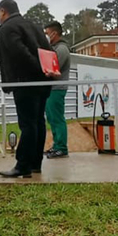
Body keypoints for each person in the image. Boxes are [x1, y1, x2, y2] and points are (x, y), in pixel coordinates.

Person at [0, 0, 52, 178]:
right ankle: (36, 163)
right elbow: (48, 50)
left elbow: (19, 53)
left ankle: (23, 165)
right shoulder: (34, 26)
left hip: (25, 81)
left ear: (3, 11)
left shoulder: (7, 28)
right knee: (38, 122)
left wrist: (35, 68)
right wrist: (46, 71)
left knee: (27, 124)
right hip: (43, 82)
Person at [43, 21, 71, 159]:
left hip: (57, 88)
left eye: (47, 33)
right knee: (52, 118)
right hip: (51, 88)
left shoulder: (61, 49)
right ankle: (56, 145)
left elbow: (53, 69)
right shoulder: (53, 48)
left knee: (57, 118)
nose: (46, 36)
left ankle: (61, 147)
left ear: (54, 33)